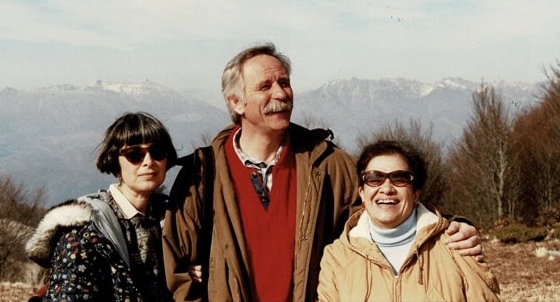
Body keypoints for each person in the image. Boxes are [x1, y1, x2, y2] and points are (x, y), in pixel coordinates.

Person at [163, 42, 483, 302]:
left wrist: (451, 226)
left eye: (284, 83)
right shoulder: (202, 175)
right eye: (265, 86)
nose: (280, 94)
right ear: (236, 102)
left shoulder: (329, 165)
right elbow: (174, 268)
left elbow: (385, 209)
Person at [318, 140, 500, 301]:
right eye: (374, 178)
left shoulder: (456, 246)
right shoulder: (337, 257)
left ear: (416, 194)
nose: (387, 188)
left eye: (400, 178)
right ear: (362, 193)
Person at [26, 112, 176, 302]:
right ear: (115, 161)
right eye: (135, 155)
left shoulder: (173, 220)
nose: (148, 162)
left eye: (157, 152)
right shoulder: (84, 230)